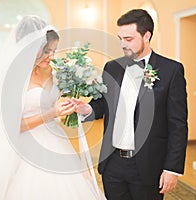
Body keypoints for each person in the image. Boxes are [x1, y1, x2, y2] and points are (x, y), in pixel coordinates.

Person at [0, 15, 105, 200]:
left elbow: (51, 100)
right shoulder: (13, 78)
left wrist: (67, 102)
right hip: (25, 147)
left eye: (54, 50)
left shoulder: (51, 71)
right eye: (47, 51)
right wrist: (52, 113)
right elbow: (13, 126)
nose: (52, 57)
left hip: (55, 139)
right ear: (31, 48)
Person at [73, 9, 188, 200]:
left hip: (148, 165)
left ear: (146, 36)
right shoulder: (112, 67)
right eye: (120, 38)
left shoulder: (171, 71)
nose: (122, 44)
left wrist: (172, 168)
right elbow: (102, 104)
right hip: (112, 164)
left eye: (128, 38)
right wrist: (88, 109)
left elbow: (178, 125)